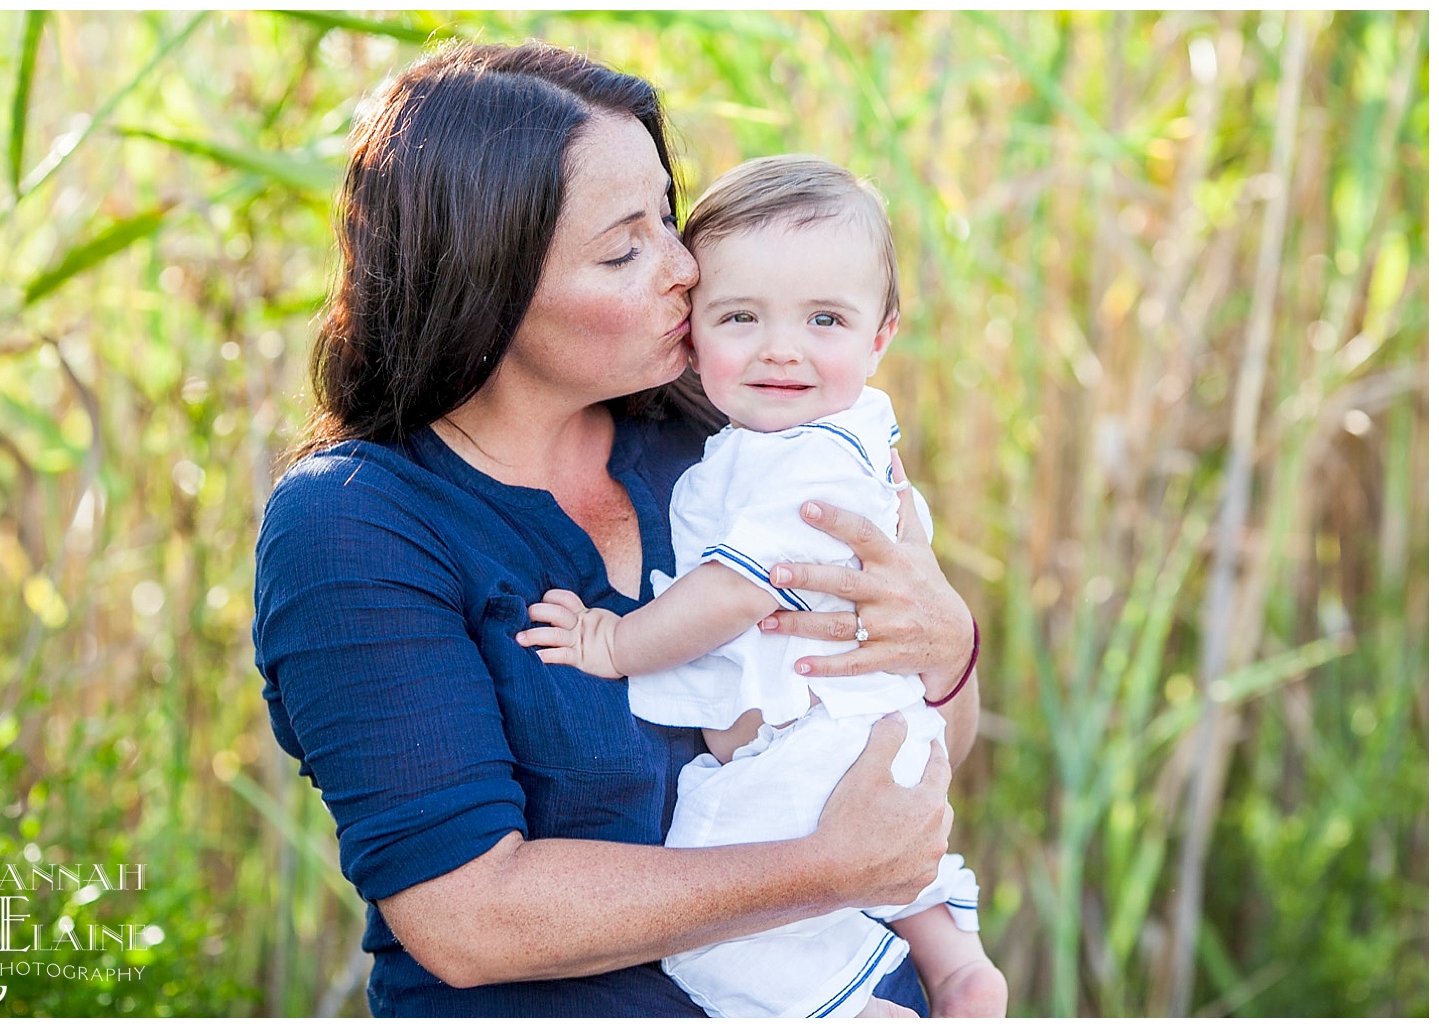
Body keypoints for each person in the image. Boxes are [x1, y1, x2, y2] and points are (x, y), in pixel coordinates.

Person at [253, 41, 981, 1017]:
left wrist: (948, 647)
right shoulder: (356, 525)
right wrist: (824, 865)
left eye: (669, 219)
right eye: (623, 246)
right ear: (485, 287)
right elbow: (466, 919)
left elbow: (910, 744)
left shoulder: (734, 433)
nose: (685, 267)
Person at [518, 155, 1007, 1018]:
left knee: (721, 950)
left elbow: (739, 590)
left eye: (825, 318)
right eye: (741, 316)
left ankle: (869, 1011)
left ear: (881, 336)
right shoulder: (818, 437)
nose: (782, 348)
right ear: (691, 329)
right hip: (860, 733)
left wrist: (614, 642)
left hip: (813, 740)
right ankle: (959, 969)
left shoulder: (809, 463)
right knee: (887, 871)